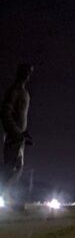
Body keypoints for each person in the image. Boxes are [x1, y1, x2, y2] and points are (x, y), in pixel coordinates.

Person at [0, 64, 33, 208]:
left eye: (30, 73)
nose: (28, 75)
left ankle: (9, 197)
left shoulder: (24, 92)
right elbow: (5, 113)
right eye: (26, 72)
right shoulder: (14, 91)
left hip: (20, 138)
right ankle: (6, 198)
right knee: (11, 168)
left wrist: (24, 133)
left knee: (18, 167)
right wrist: (15, 131)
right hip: (13, 137)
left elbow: (21, 117)